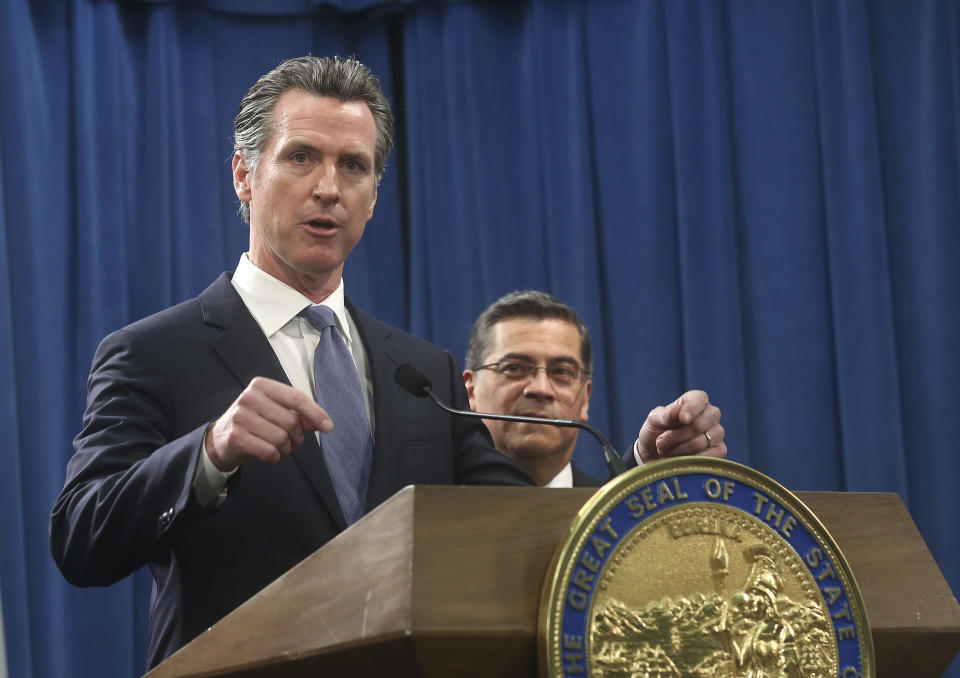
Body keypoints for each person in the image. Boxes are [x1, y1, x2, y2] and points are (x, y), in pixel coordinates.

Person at [48, 56, 530, 669]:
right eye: (301, 156)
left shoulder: (422, 371)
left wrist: (650, 477)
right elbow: (80, 537)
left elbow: (516, 526)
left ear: (374, 198)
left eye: (353, 166)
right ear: (244, 175)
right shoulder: (152, 353)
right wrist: (210, 452)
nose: (329, 186)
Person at [463, 290, 726, 487]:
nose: (541, 388)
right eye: (515, 368)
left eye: (562, 372)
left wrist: (649, 469)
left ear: (585, 398)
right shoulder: (428, 510)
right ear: (470, 390)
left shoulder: (614, 509)